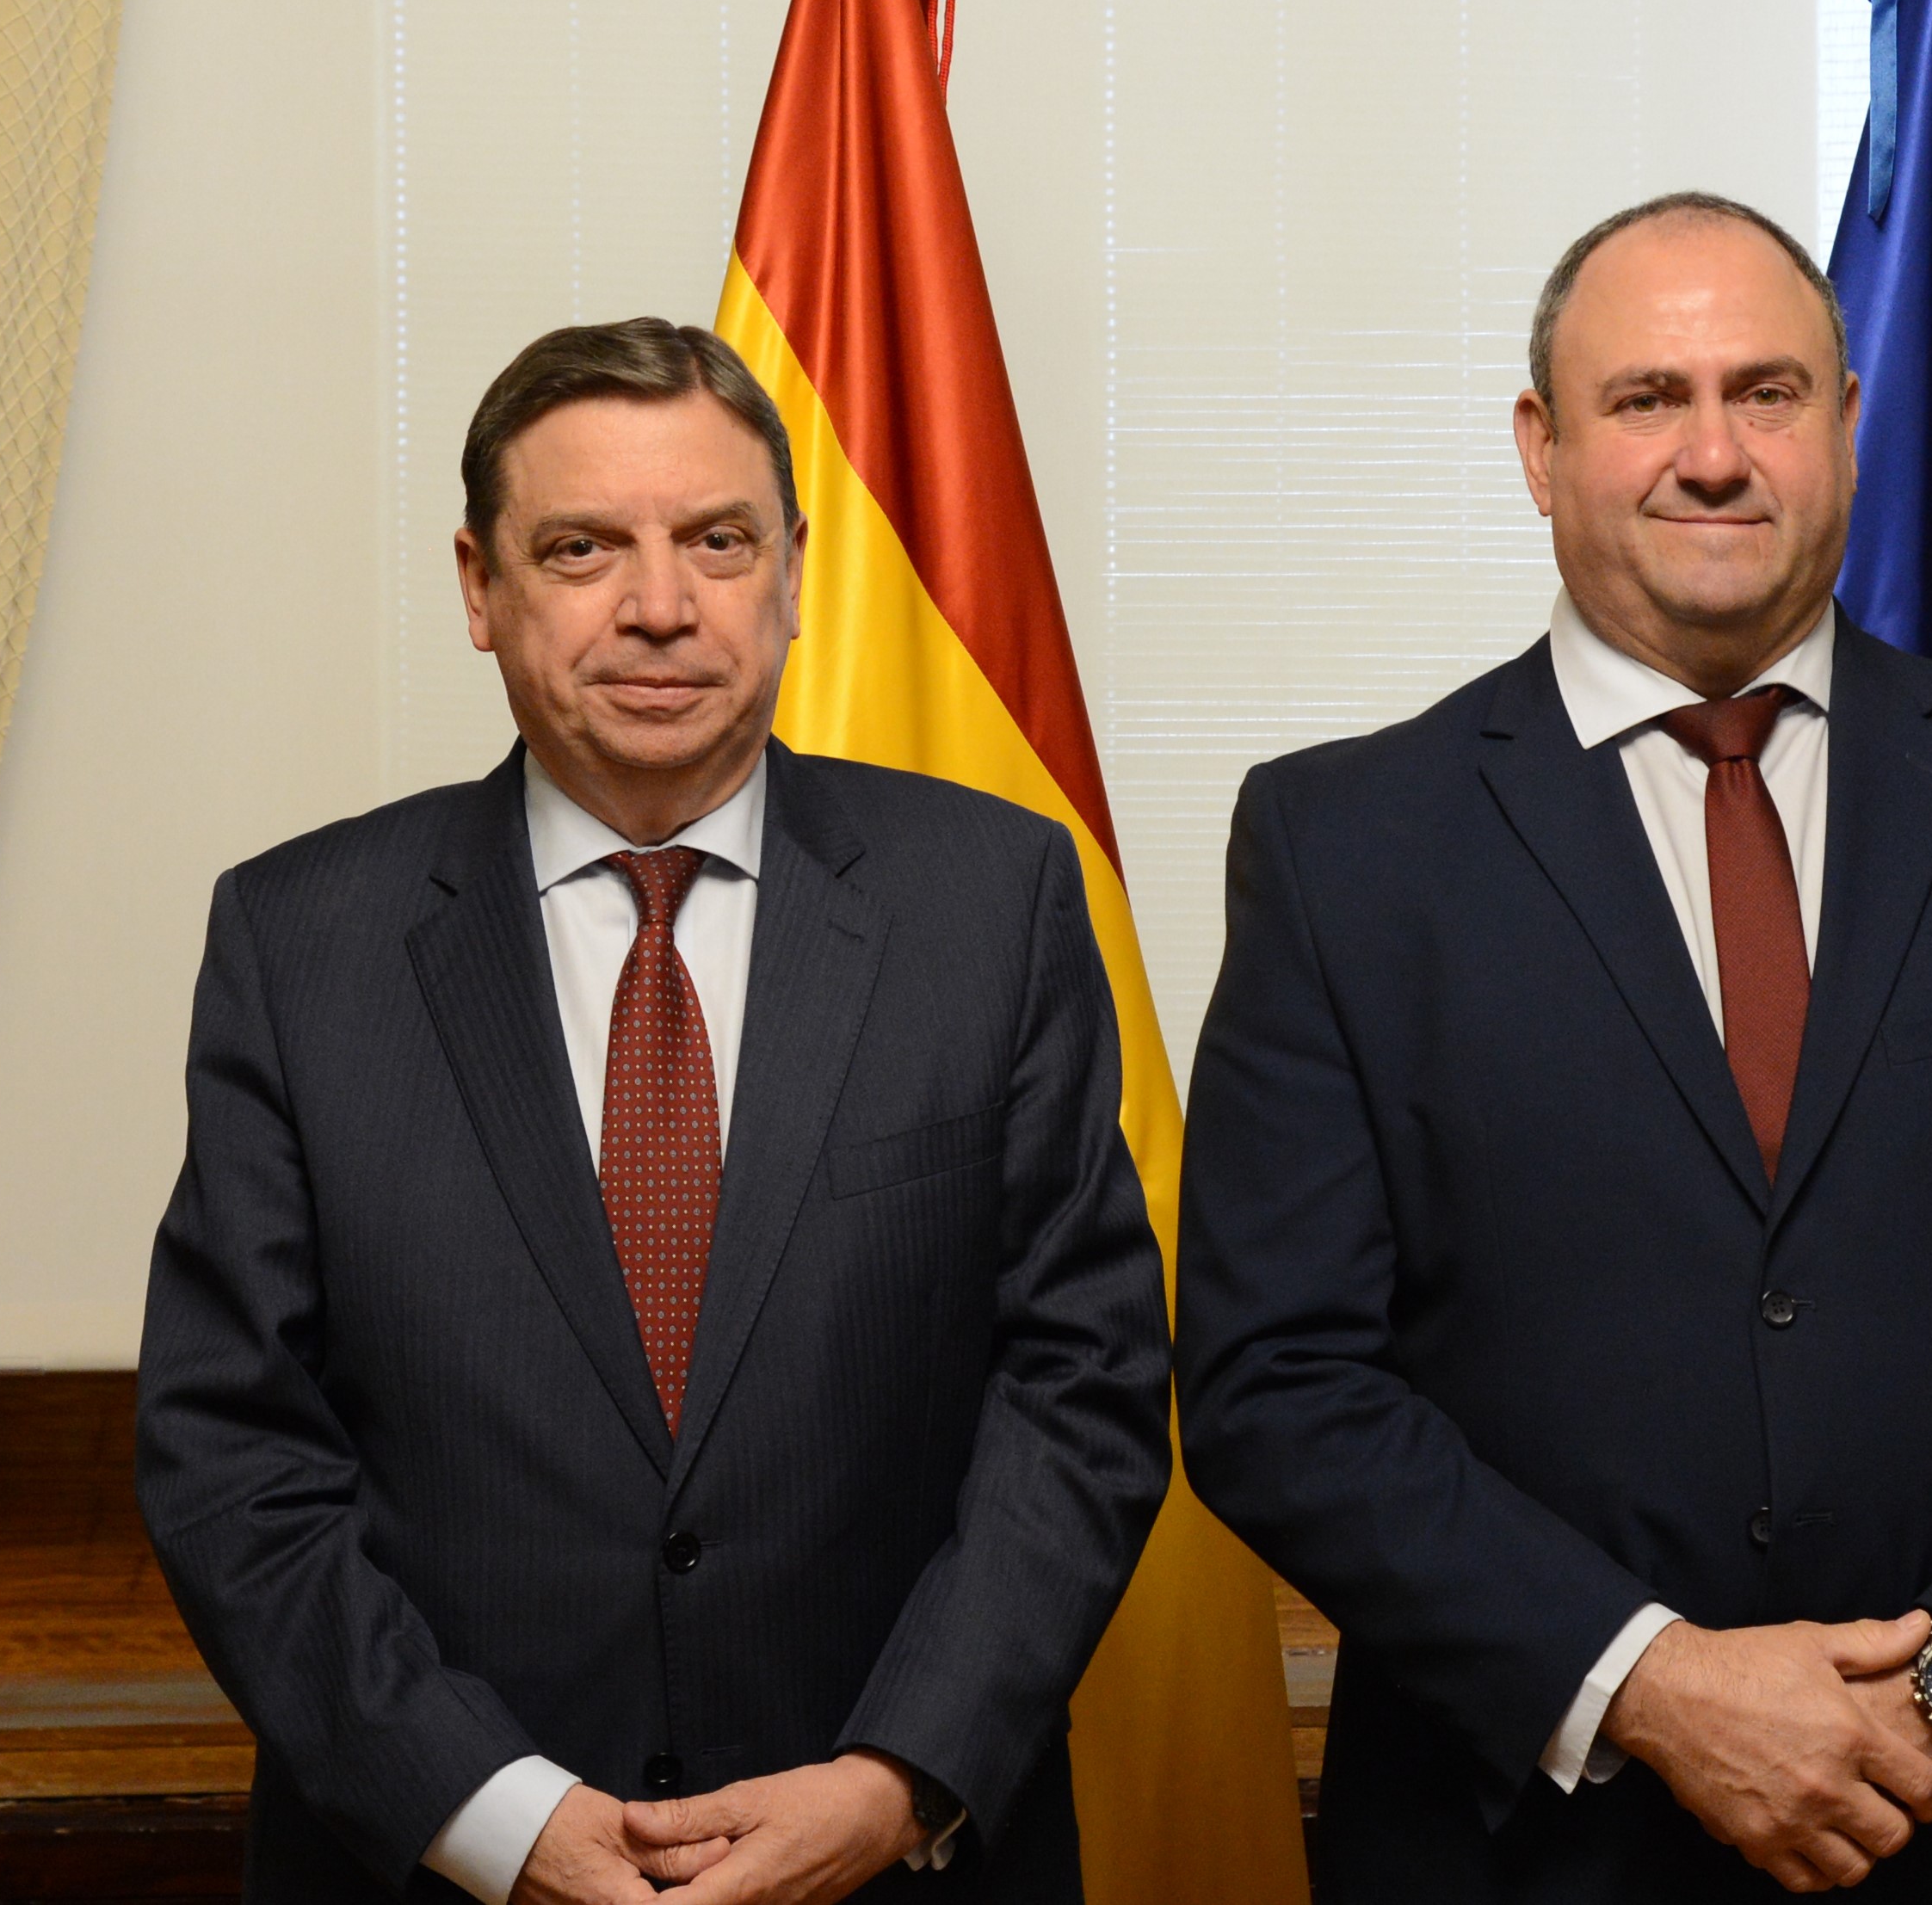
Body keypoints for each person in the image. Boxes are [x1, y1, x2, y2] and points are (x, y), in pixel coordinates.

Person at [1174, 194, 1932, 1901]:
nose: (1711, 455)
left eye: (1765, 394)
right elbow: (1271, 1383)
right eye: (1645, 398)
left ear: (1844, 426)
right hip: (1525, 1858)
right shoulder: (1344, 846)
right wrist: (1649, 1684)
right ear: (1540, 448)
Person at [136, 319, 1170, 1905]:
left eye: (716, 541)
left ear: (795, 573)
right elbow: (233, 1453)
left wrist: (895, 1782)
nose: (662, 606)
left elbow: (1081, 1393)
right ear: (480, 588)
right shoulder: (301, 942)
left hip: (893, 1863)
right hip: (442, 1872)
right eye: (582, 548)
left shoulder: (993, 901)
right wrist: (494, 1817)